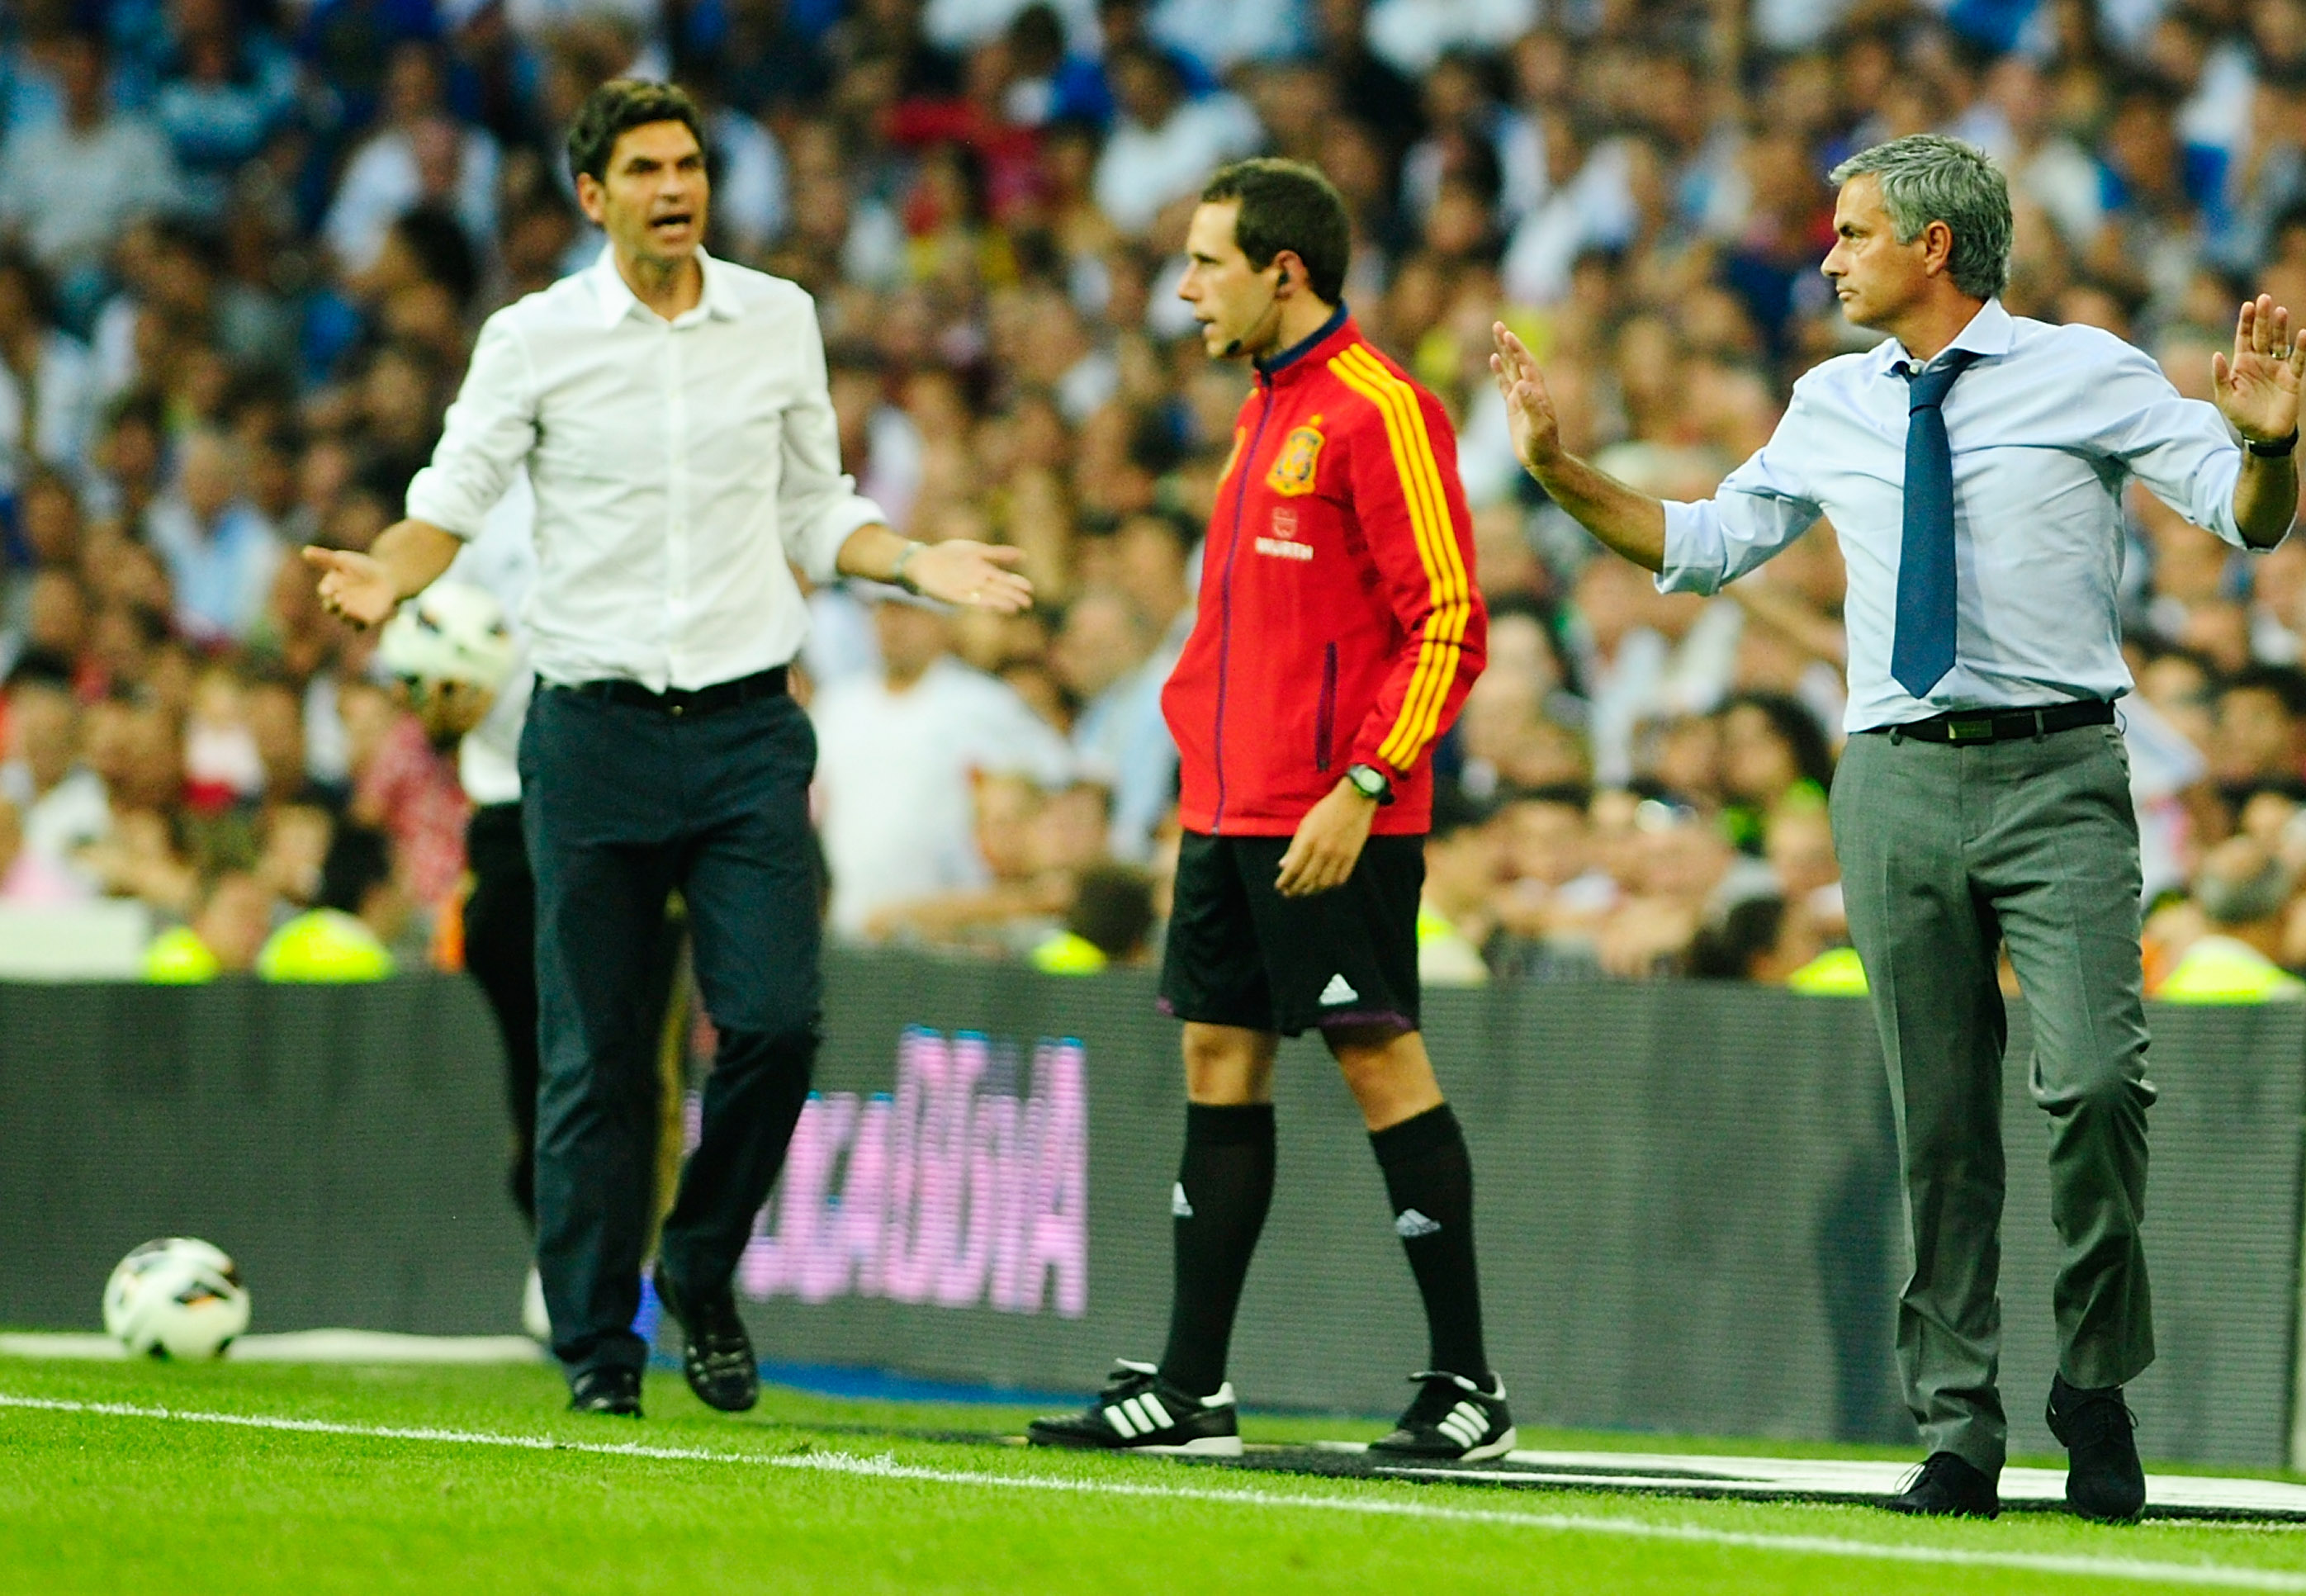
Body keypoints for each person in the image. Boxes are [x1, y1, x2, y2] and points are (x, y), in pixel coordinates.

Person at [1490, 133, 2306, 1523]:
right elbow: (1700, 543)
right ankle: (1960, 1426)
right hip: (1893, 779)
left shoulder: (2087, 371)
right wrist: (1561, 469)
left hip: (2058, 776)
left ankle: (2092, 1380)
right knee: (1938, 1124)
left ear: (1934, 246)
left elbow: (2248, 519)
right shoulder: (1828, 401)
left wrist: (2272, 443)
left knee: (2099, 1085)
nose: (1828, 254)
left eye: (1853, 231)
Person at [305, 79, 1031, 1421]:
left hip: (750, 725)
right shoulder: (532, 340)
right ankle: (597, 1347)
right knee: (594, 1055)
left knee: (776, 1025)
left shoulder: (781, 320)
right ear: (594, 197)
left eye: (688, 162)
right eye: (643, 168)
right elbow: (447, 504)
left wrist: (918, 560)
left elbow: (817, 509)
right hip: (590, 735)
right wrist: (387, 578)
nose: (673, 186)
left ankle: (698, 1261)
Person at [1029, 159, 1504, 1461]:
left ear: (1281, 270)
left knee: (1378, 1059)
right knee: (1218, 1063)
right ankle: (1193, 1388)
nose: (1183, 287)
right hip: (1228, 810)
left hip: (1331, 812)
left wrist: (1362, 782)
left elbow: (1451, 622)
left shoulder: (1377, 406)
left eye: (1205, 262)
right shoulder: (1259, 409)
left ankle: (1468, 1385)